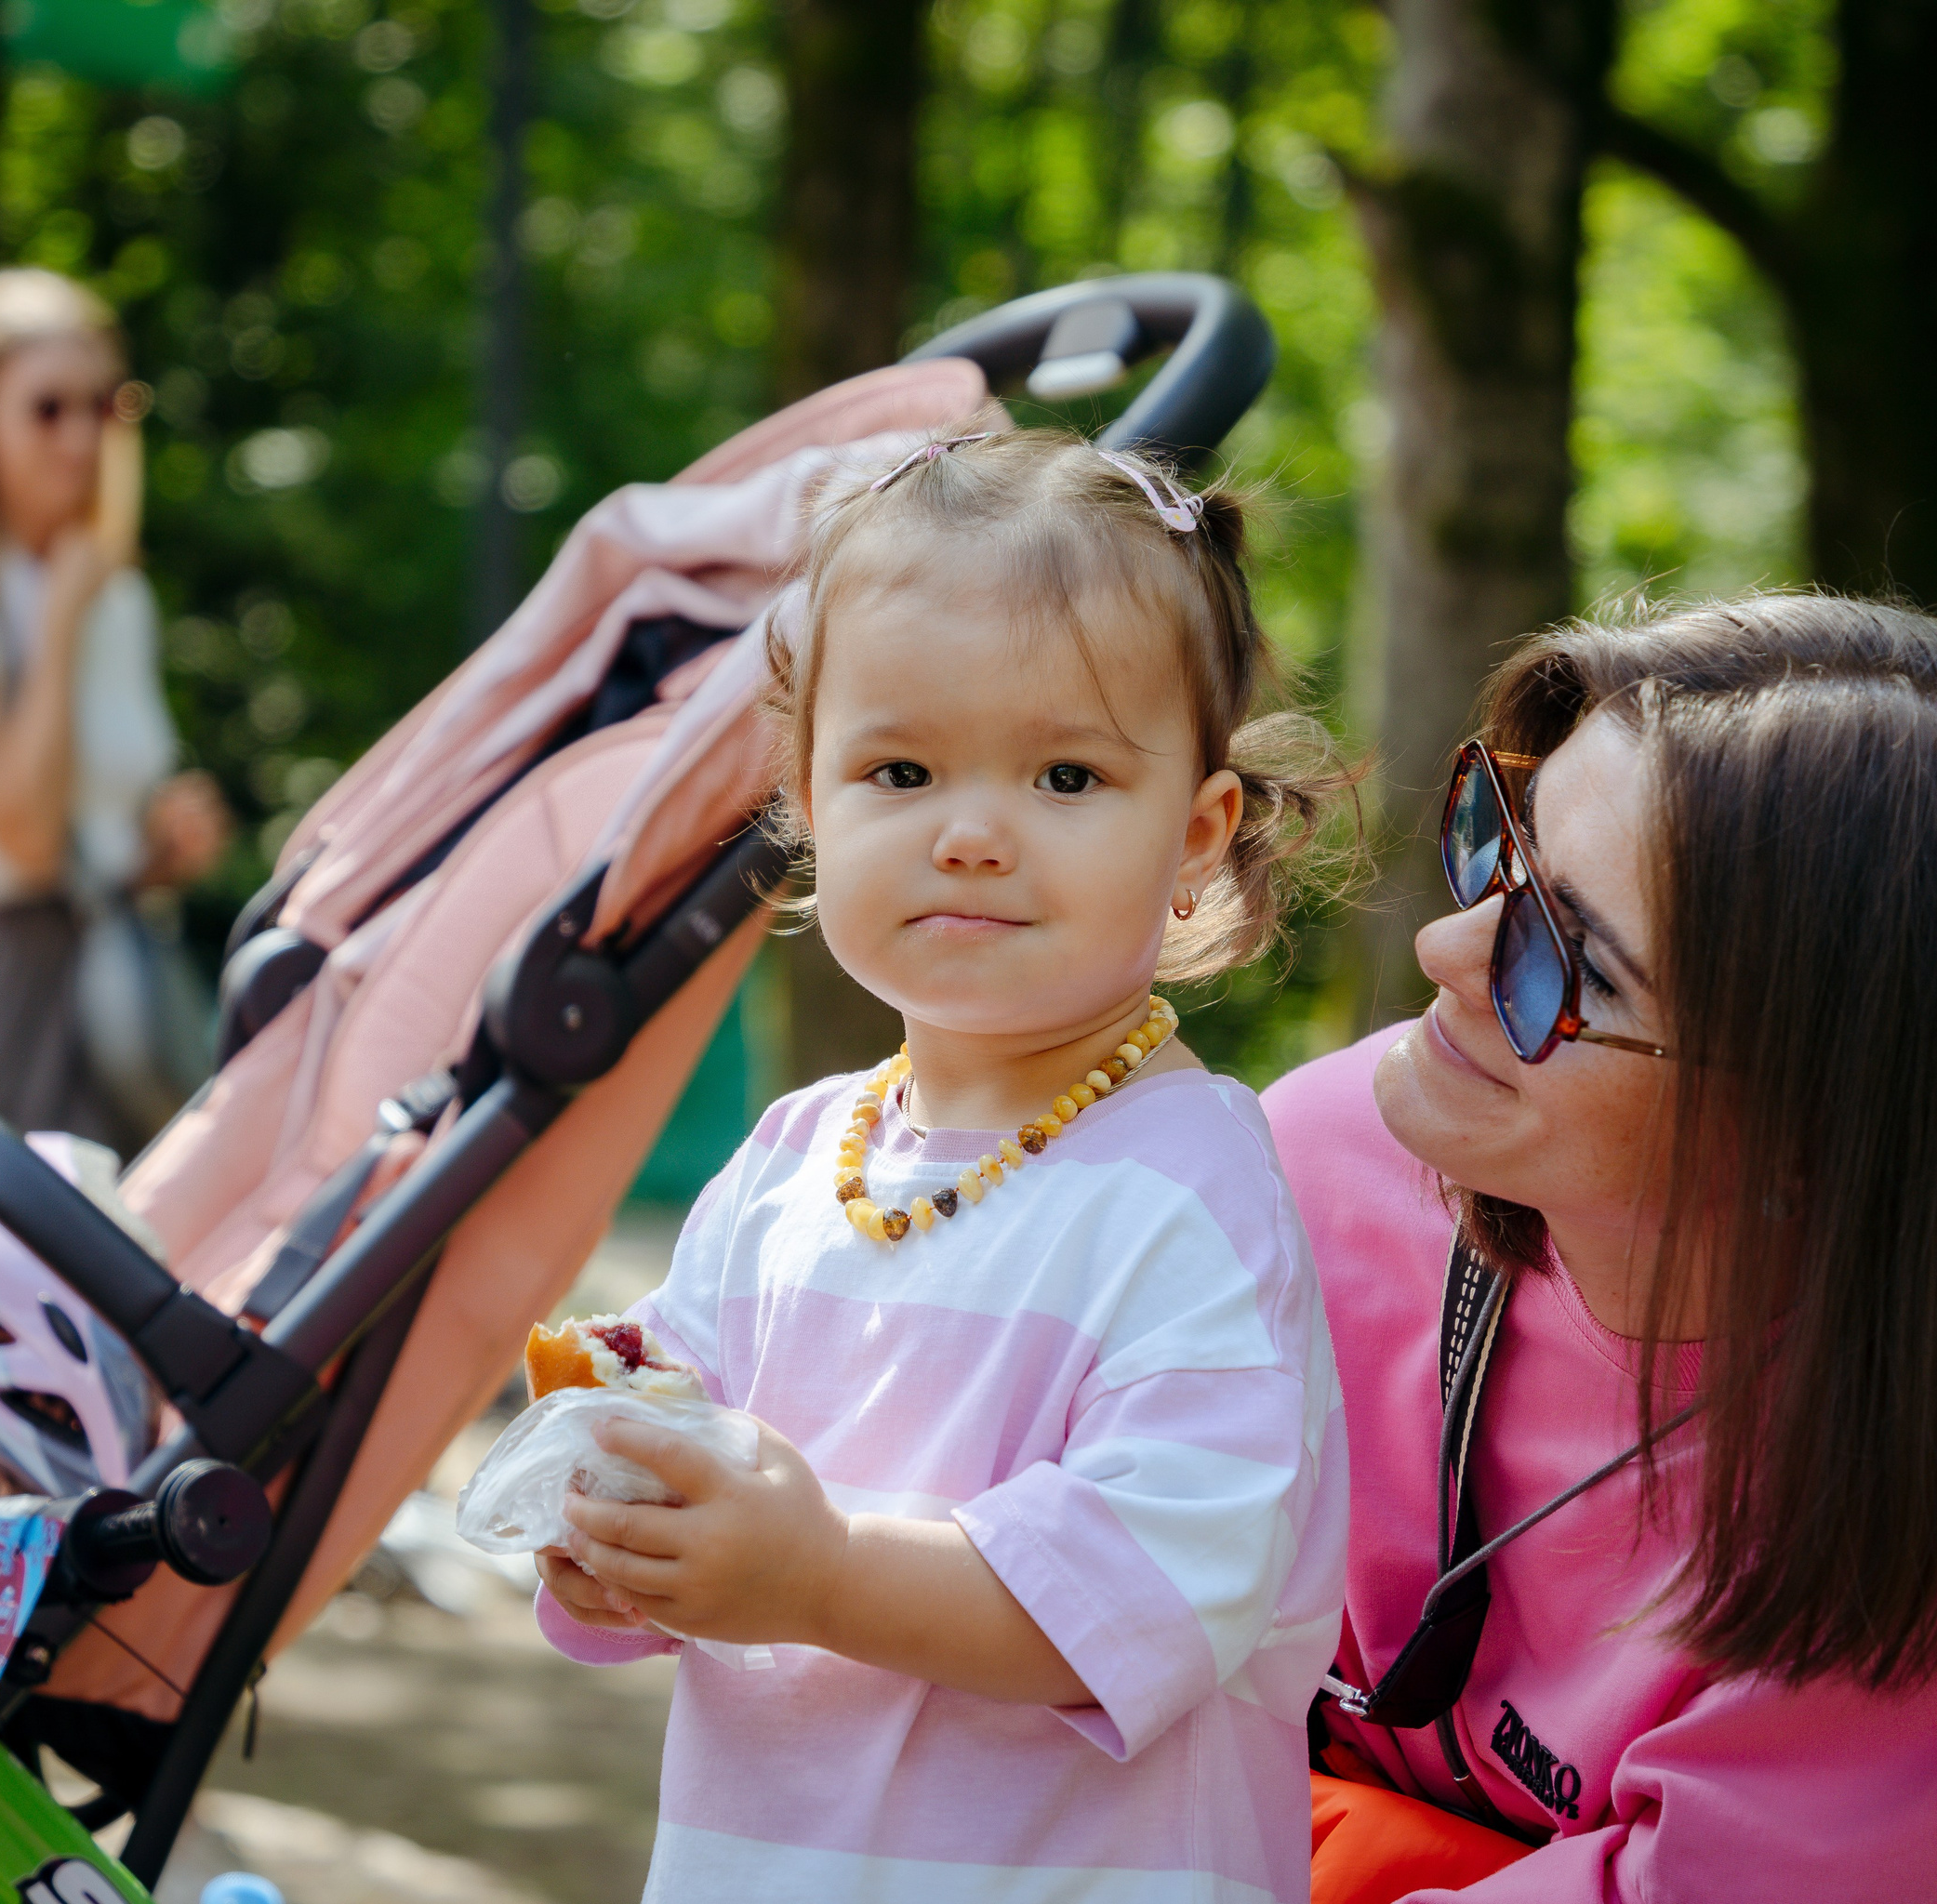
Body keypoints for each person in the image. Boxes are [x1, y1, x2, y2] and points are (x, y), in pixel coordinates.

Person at [535, 428, 1352, 1901]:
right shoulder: (792, 1162)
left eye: (1065, 775)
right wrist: (619, 1517)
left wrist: (816, 1574)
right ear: (807, 797)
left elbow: (1151, 1594)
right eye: (901, 768)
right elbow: (706, 1502)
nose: (972, 834)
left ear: (1197, 834)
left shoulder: (1189, 1194)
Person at [1265, 595, 1937, 1901]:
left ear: (1824, 1133)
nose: (1443, 948)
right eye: (1497, 848)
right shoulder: (1323, 1164)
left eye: (1567, 965)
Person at [0, 269, 227, 1148]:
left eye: (106, 406)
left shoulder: (117, 596)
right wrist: (57, 621)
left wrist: (164, 845)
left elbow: (98, 841)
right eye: (47, 407)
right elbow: (22, 839)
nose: (79, 438)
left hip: (113, 988)